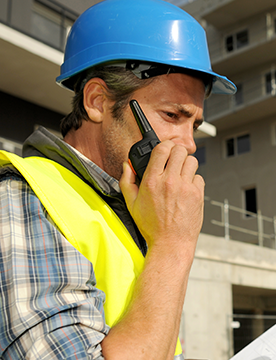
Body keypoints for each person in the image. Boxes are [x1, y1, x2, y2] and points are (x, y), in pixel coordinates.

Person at [0, 0, 236, 358]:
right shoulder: (23, 199)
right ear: (97, 101)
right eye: (172, 115)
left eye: (195, 126)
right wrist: (175, 244)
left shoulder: (131, 211)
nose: (189, 144)